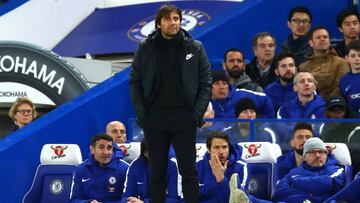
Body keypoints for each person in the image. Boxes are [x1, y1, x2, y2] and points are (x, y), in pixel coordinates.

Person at [129, 4, 212, 203]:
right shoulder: (145, 48)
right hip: (154, 117)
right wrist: (143, 116)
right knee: (156, 173)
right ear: (159, 23)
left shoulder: (195, 47)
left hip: (184, 116)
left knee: (188, 171)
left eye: (176, 19)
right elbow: (135, 81)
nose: (173, 23)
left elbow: (206, 82)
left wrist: (195, 116)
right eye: (168, 19)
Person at [273, 137, 346, 203]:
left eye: (321, 152)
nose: (317, 155)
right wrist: (307, 196)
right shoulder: (294, 172)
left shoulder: (336, 170)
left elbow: (326, 184)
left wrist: (296, 183)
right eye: (312, 152)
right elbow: (279, 192)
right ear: (304, 157)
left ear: (326, 155)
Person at [70, 134, 129, 203]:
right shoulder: (81, 169)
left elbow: (130, 199)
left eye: (109, 148)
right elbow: (75, 200)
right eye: (101, 147)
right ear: (92, 149)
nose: (106, 152)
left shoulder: (125, 168)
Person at [197, 131, 249, 203]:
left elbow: (239, 200)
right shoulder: (197, 166)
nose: (221, 151)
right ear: (208, 150)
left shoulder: (240, 166)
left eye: (224, 147)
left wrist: (221, 178)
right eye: (216, 147)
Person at [299, 26, 349, 100]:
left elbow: (339, 89)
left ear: (329, 41)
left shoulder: (341, 63)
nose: (322, 39)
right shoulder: (303, 67)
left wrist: (324, 106)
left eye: (325, 37)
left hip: (333, 106)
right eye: (318, 37)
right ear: (311, 43)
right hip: (309, 107)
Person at [340, 39, 360, 117]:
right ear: (346, 58)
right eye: (353, 56)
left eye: (359, 55)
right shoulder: (344, 81)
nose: (357, 59)